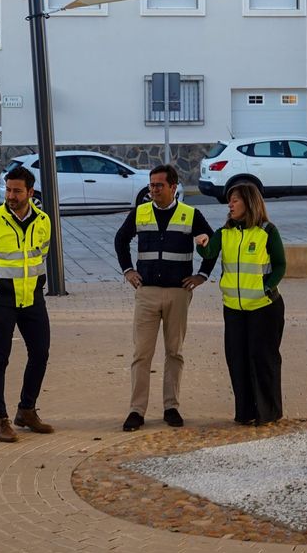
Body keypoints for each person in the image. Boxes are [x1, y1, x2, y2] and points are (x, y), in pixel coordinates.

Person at [113, 163, 218, 431]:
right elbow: (120, 239)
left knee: (174, 353)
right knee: (141, 354)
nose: (154, 190)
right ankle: (136, 410)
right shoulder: (140, 212)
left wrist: (202, 275)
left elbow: (213, 243)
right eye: (151, 185)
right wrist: (128, 270)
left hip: (178, 294)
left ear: (173, 187)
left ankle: (171, 407)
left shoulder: (190, 214)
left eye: (159, 185)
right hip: (146, 293)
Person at [0, 165, 55, 443]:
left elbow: (42, 257)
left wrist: (35, 288)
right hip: (1, 301)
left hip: (32, 300)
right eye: (8, 189)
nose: (11, 195)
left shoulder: (43, 221)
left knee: (40, 353)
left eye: (17, 191)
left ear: (30, 192)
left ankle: (26, 410)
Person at [203, 182, 286, 425]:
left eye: (235, 200)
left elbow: (280, 265)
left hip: (264, 307)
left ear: (249, 202)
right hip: (234, 309)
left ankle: (268, 412)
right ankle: (245, 412)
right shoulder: (224, 232)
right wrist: (203, 244)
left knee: (262, 359)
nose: (230, 204)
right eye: (230, 201)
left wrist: (266, 287)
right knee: (237, 359)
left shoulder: (267, 231)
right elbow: (209, 255)